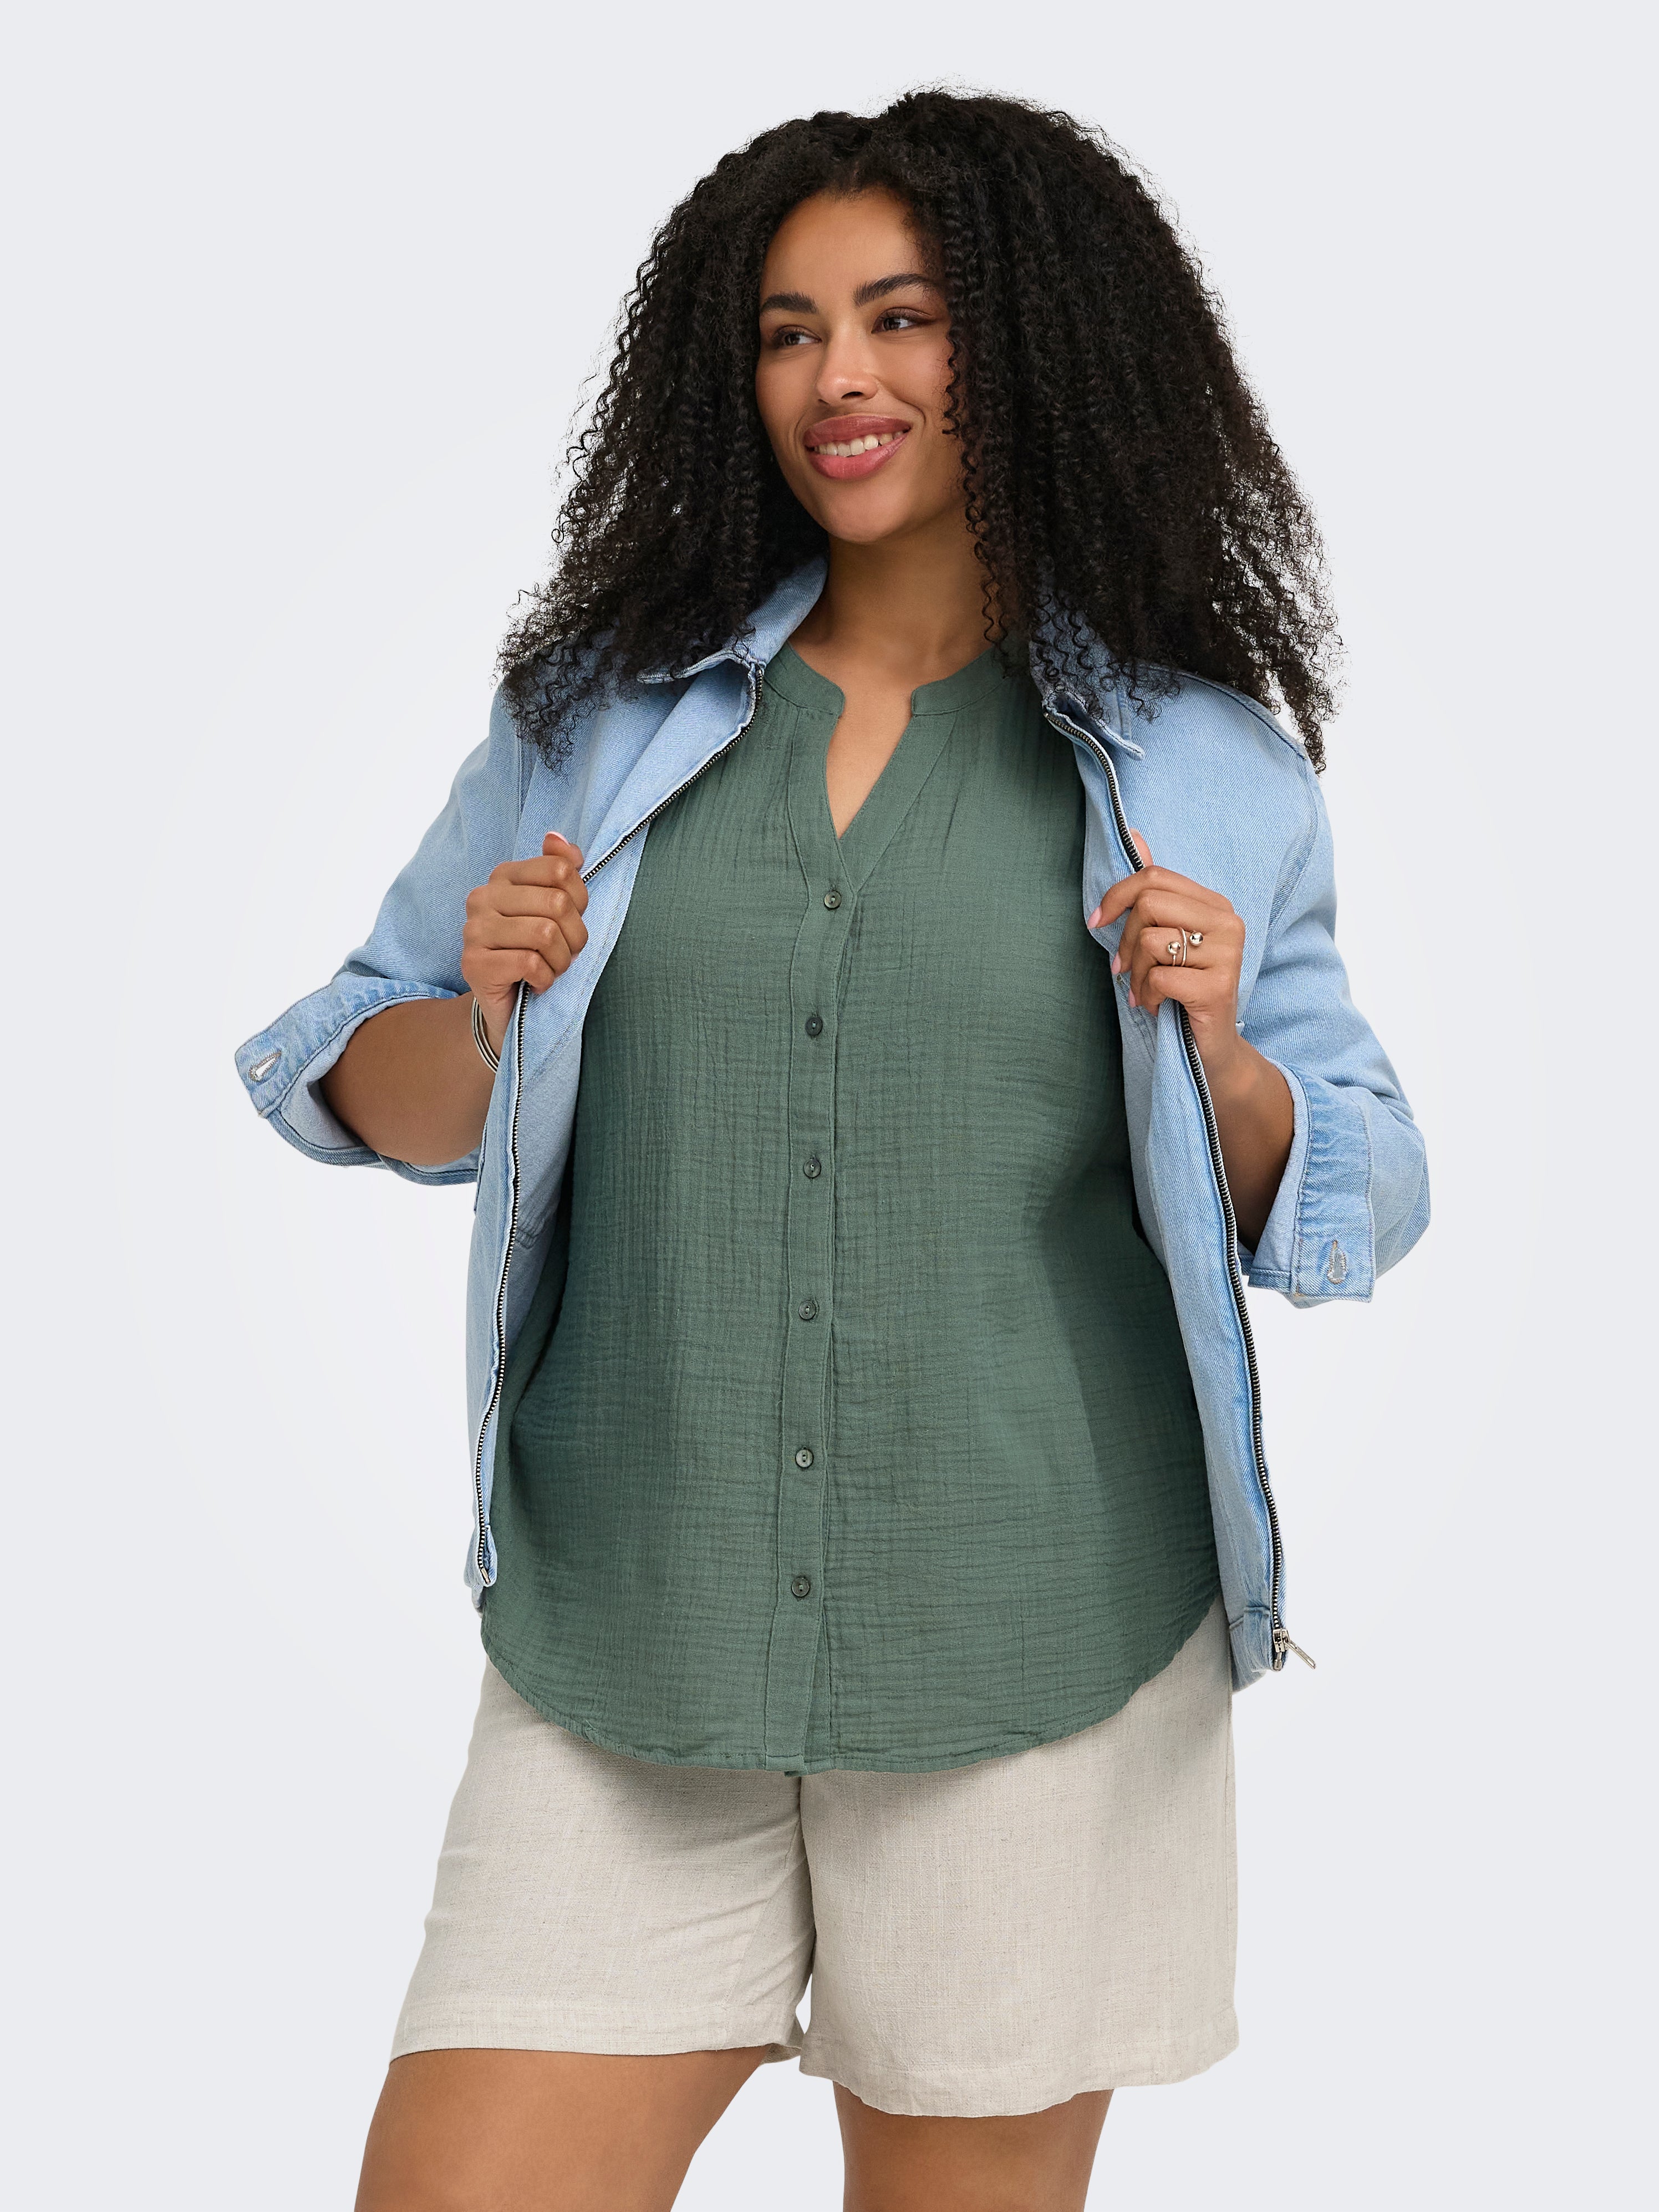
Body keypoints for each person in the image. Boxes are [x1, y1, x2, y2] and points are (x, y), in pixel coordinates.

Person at [237, 90, 1427, 2212]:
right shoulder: (600, 717)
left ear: (1032, 343)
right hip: (632, 1636)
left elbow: (1356, 1184)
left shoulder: (1201, 763)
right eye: (789, 332)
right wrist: (485, 1014)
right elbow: (358, 1078)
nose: (837, 379)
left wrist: (1227, 1059)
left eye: (901, 317)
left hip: (1039, 1649)